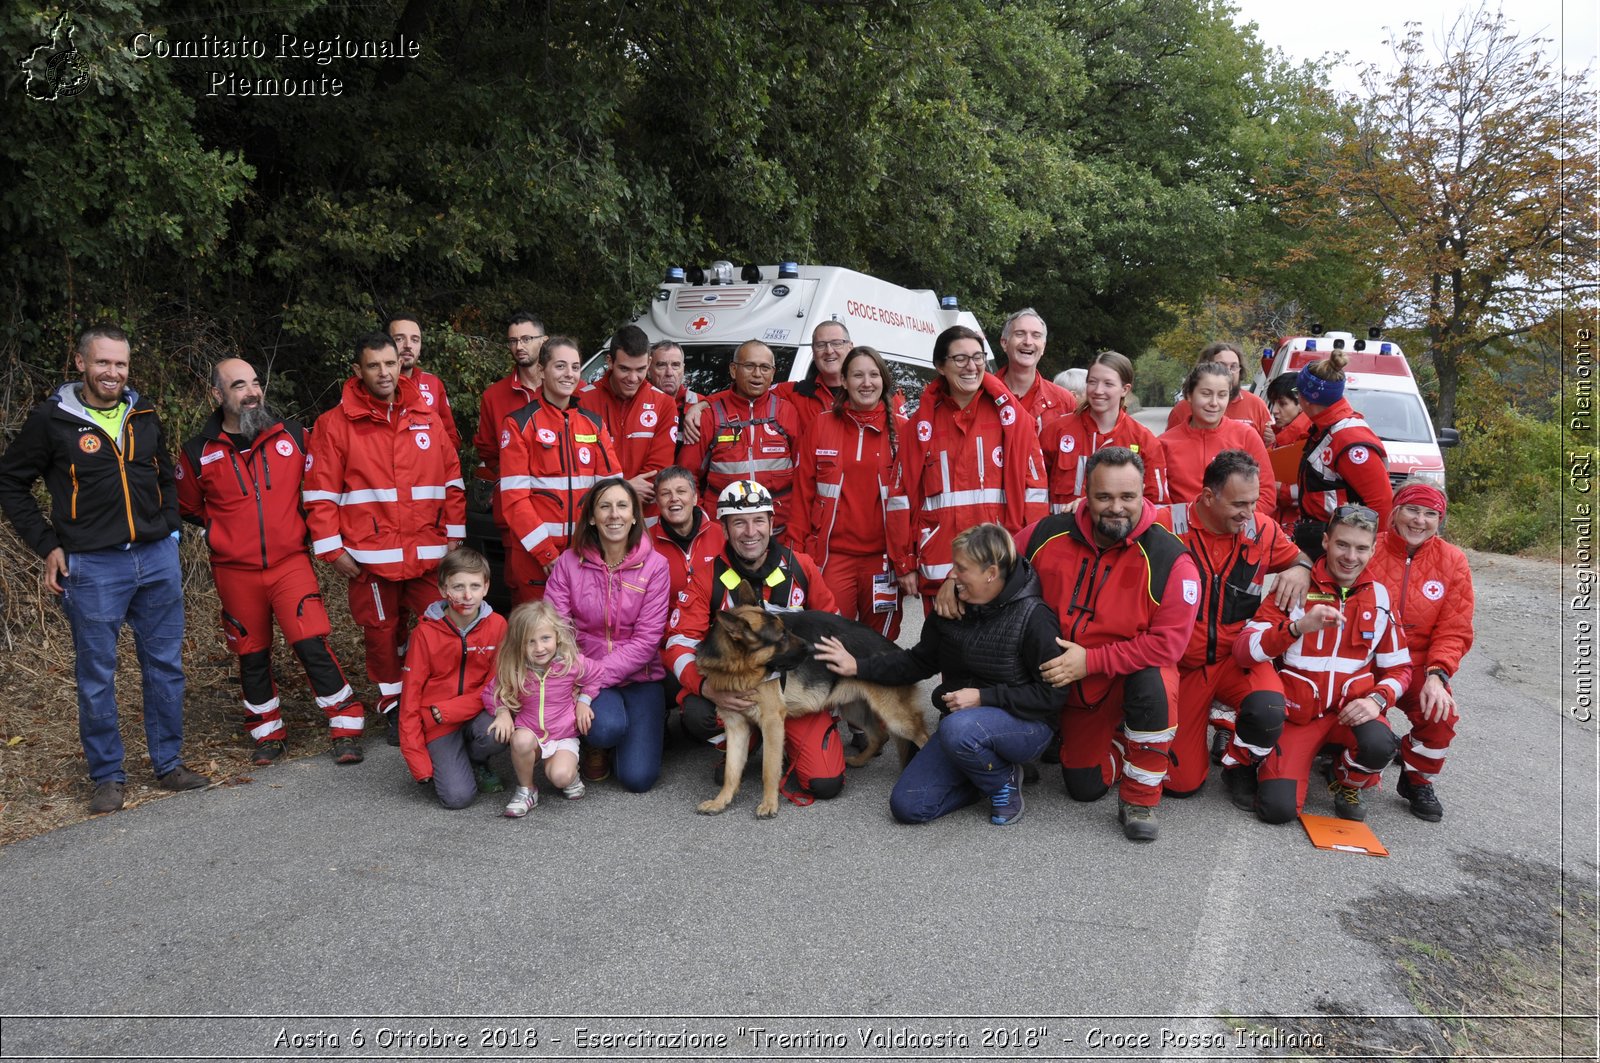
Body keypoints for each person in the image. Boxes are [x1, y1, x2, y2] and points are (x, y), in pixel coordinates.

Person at [0, 324, 210, 813]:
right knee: (97, 674)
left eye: (120, 364)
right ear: (80, 363)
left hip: (157, 560)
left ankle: (168, 763)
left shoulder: (145, 414)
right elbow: (11, 483)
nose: (112, 372)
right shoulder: (51, 421)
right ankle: (108, 775)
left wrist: (172, 528)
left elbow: (164, 474)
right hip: (91, 567)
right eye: (102, 362)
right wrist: (47, 545)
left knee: (165, 666)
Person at [178, 358, 365, 766]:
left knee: (311, 641)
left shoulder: (294, 435)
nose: (252, 392)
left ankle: (346, 724)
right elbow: (189, 507)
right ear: (217, 395)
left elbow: (329, 476)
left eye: (256, 383)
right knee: (252, 653)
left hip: (289, 562)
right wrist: (221, 534)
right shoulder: (197, 452)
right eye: (239, 385)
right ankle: (267, 733)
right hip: (234, 571)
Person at [815, 524, 1061, 826]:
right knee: (908, 806)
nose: (952, 575)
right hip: (962, 728)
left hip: (1026, 726)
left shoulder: (1034, 617)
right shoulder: (951, 608)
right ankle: (982, 776)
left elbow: (1053, 696)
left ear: (991, 573)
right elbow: (916, 662)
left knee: (958, 728)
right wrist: (858, 667)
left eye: (961, 568)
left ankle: (1003, 781)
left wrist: (984, 698)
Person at [1028, 447, 1200, 842]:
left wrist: (1091, 661)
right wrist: (956, 579)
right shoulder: (1047, 533)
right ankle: (1117, 743)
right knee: (1082, 788)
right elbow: (998, 555)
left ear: (1145, 494)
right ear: (1085, 494)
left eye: (1128, 497)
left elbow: (1167, 647)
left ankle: (1140, 798)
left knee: (1156, 681)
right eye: (1104, 497)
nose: (1116, 508)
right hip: (1067, 684)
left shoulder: (1172, 560)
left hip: (1124, 677)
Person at [305, 332, 466, 742]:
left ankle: (437, 697)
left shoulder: (426, 416)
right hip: (369, 557)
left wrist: (455, 536)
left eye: (390, 364)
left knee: (442, 624)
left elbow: (452, 481)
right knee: (380, 633)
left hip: (428, 553)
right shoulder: (334, 425)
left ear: (401, 364)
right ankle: (393, 705)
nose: (384, 373)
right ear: (357, 371)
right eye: (374, 365)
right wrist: (331, 550)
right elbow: (319, 494)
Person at [661, 480, 845, 801]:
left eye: (759, 520)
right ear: (725, 529)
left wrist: (827, 688)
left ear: (772, 524)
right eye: (739, 522)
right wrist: (707, 688)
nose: (750, 531)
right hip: (736, 693)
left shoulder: (802, 568)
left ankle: (783, 739)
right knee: (697, 713)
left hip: (794, 694)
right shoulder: (706, 578)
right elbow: (677, 643)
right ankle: (750, 740)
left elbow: (835, 629)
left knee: (824, 783)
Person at [1236, 504, 1409, 823]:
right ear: (1326, 541)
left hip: (1349, 716)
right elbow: (1245, 650)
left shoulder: (1382, 597)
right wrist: (1297, 628)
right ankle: (1267, 761)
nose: (1350, 557)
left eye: (1360, 548)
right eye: (1342, 544)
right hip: (1299, 718)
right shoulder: (1295, 586)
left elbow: (1400, 670)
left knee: (1380, 745)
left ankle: (1345, 778)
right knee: (1277, 811)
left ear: (1373, 550)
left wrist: (1377, 700)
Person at [1155, 450, 1310, 806]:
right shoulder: (1165, 525)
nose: (1249, 513)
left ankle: (1238, 763)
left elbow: (1300, 557)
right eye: (1240, 503)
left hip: (1236, 660)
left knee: (1269, 707)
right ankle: (1208, 720)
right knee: (1180, 785)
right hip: (1185, 665)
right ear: (1208, 497)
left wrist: (1300, 568)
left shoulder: (1262, 529)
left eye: (1254, 502)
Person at [904, 325, 1047, 612]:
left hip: (998, 567)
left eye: (978, 357)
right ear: (940, 366)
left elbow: (1035, 495)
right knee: (943, 654)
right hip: (940, 568)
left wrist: (1027, 558)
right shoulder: (919, 426)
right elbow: (903, 499)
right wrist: (904, 561)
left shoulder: (1012, 421)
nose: (971, 366)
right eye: (960, 359)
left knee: (997, 653)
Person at [545, 478, 672, 792]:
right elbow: (555, 629)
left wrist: (593, 679)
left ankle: (644, 728)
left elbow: (647, 641)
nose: (614, 515)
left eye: (622, 506)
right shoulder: (568, 563)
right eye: (604, 506)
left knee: (638, 779)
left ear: (634, 516)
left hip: (640, 676)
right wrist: (581, 676)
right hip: (587, 671)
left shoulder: (656, 566)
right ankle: (596, 742)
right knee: (605, 729)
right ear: (592, 517)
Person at [788, 346, 917, 639]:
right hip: (833, 558)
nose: (866, 383)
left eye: (874, 375)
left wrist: (908, 561)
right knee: (831, 637)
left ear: (884, 381)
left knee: (880, 642)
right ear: (844, 381)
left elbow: (915, 505)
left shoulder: (905, 433)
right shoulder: (821, 425)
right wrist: (796, 555)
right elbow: (802, 495)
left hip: (883, 562)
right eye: (857, 375)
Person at [1364, 480, 1475, 821]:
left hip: (1417, 666)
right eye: (1412, 509)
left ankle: (1416, 779)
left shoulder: (1453, 561)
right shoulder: (1368, 546)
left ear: (1440, 520)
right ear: (1395, 512)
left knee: (1440, 715)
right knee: (1363, 729)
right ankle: (1337, 753)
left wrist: (1438, 675)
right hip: (1367, 662)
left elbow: (1454, 629)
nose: (1419, 520)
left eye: (1431, 514)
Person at [497, 335, 622, 602]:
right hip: (536, 561)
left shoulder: (593, 424)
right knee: (538, 639)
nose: (570, 374)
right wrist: (546, 553)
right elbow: (514, 501)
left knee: (583, 638)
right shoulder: (519, 424)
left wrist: (598, 548)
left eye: (575, 367)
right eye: (561, 366)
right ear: (542, 370)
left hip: (587, 556)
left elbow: (613, 493)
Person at [396, 548, 510, 809]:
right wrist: (419, 762)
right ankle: (453, 760)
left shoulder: (498, 626)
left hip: (468, 712)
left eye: (474, 586)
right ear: (443, 589)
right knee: (458, 798)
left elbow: (494, 685)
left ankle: (476, 760)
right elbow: (410, 699)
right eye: (458, 587)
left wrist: (447, 711)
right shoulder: (424, 633)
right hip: (438, 723)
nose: (467, 596)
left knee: (497, 734)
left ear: (487, 587)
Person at [483, 601, 600, 817]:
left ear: (556, 636)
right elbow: (492, 691)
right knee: (520, 740)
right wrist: (502, 712)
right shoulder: (515, 668)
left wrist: (584, 700)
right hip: (531, 733)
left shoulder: (570, 663)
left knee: (560, 777)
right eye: (530, 642)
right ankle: (527, 790)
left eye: (545, 638)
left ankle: (571, 773)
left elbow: (596, 674)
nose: (539, 648)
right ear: (519, 644)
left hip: (563, 734)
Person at [677, 340, 803, 533]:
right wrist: (702, 521)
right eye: (750, 366)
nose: (757, 374)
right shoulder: (711, 416)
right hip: (722, 532)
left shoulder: (787, 412)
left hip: (778, 531)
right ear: (734, 370)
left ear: (773, 373)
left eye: (765, 367)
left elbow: (803, 474)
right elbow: (686, 476)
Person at [1293, 348, 1392, 557]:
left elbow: (1381, 502)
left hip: (1343, 546)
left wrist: (1374, 556)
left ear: (1306, 399)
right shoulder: (1324, 428)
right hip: (1322, 539)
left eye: (1296, 393)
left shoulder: (1350, 441)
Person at [1039, 351, 1167, 511]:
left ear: (1125, 389)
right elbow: (1036, 490)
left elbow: (1157, 505)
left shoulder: (1144, 440)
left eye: (1108, 384)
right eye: (1092, 382)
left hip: (1117, 533)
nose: (1098, 390)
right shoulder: (1057, 431)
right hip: (1062, 531)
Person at [1158, 360, 1275, 517]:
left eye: (1222, 395)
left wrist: (1233, 522)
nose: (1214, 403)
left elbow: (1267, 496)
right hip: (1183, 536)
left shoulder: (1247, 436)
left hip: (1236, 534)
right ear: (1189, 395)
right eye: (1206, 394)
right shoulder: (1164, 444)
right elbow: (1158, 503)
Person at [577, 325, 677, 506]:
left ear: (649, 362)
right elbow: (581, 467)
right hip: (599, 512)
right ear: (609, 361)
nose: (632, 378)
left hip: (645, 516)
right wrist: (626, 489)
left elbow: (658, 469)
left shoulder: (664, 404)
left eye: (640, 369)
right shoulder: (583, 401)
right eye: (624, 369)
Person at [1165, 342, 1274, 445]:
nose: (1228, 371)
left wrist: (1272, 440)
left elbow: (1269, 450)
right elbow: (1169, 447)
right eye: (1221, 365)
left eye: (1234, 366)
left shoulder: (1257, 405)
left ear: (1240, 370)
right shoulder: (1182, 409)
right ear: (1206, 367)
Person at [649, 466, 726, 607]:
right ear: (658, 503)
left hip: (718, 624)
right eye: (665, 494)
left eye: (681, 491)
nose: (674, 498)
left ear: (695, 497)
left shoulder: (722, 535)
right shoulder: (645, 543)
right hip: (665, 627)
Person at [386, 310, 461, 452]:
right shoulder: (371, 383)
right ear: (384, 344)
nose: (408, 345)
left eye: (415, 340)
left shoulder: (433, 383)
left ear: (420, 348)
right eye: (399, 339)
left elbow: (450, 437)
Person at [997, 308, 1076, 433]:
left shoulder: (1065, 401)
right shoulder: (982, 394)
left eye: (1036, 335)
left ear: (1043, 347)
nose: (1028, 342)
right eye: (1020, 334)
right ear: (1004, 343)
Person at [1265, 374, 1310, 529]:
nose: (1275, 411)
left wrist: (1281, 491)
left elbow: (1316, 492)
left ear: (1301, 404)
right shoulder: (1281, 435)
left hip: (1298, 524)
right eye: (1272, 404)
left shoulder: (1309, 439)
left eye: (1282, 404)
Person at [647, 340, 700, 436]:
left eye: (675, 365)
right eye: (661, 365)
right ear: (648, 370)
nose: (669, 373)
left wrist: (702, 405)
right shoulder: (635, 404)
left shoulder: (701, 403)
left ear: (683, 369)